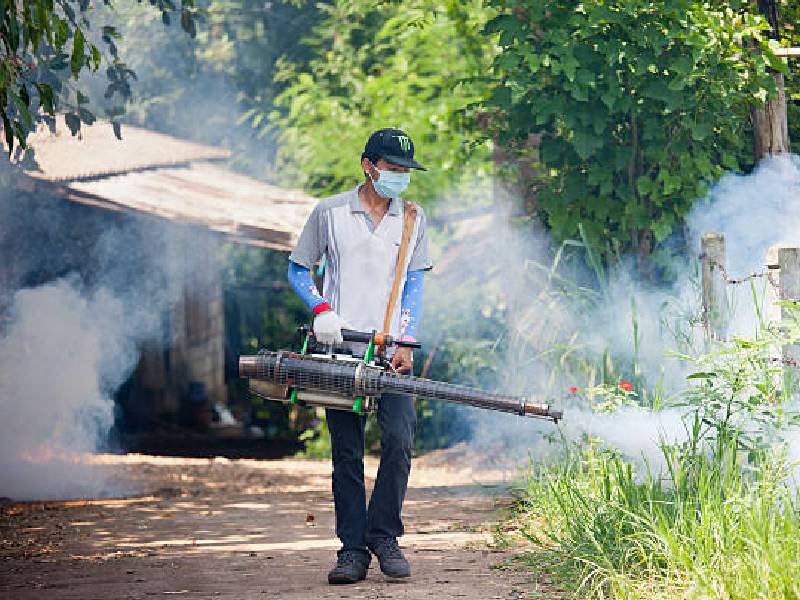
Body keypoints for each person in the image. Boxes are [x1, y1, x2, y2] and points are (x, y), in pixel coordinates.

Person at [287, 128, 431, 584]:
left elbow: (415, 283)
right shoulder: (329, 213)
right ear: (368, 166)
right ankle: (352, 550)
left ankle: (383, 534)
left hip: (390, 352)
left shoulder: (412, 217)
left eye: (405, 170)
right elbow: (297, 269)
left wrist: (406, 338)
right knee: (346, 453)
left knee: (400, 439)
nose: (400, 177)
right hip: (339, 350)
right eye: (392, 169)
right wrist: (321, 308)